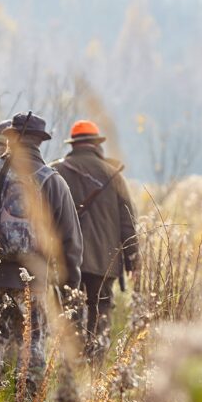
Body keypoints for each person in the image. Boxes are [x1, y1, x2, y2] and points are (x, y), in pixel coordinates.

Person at [0, 112, 83, 402]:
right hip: (33, 282)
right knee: (31, 347)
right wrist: (68, 285)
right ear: (40, 141)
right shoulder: (53, 181)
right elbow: (70, 242)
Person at [52, 120, 139, 361]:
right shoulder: (113, 175)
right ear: (97, 144)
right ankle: (95, 365)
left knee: (70, 310)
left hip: (67, 258)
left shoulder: (57, 171)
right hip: (104, 259)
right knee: (100, 310)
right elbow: (127, 221)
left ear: (74, 144)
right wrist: (133, 260)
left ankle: (73, 362)